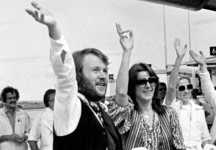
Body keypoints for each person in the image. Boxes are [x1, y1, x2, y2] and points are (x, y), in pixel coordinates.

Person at [26, 2, 122, 150]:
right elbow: (65, 73)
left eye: (104, 70)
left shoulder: (100, 109)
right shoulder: (70, 107)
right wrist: (55, 30)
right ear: (78, 75)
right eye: (96, 70)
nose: (103, 75)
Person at [108, 25, 185, 150]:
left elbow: (180, 147)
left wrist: (179, 59)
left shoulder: (169, 114)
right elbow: (121, 93)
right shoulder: (128, 114)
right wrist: (127, 52)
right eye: (141, 82)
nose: (148, 85)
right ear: (132, 86)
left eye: (152, 80)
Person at [164, 39, 210, 150]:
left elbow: (205, 138)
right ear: (177, 91)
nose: (185, 91)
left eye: (188, 87)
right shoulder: (172, 108)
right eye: (181, 88)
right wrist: (179, 59)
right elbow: (170, 87)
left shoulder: (199, 109)